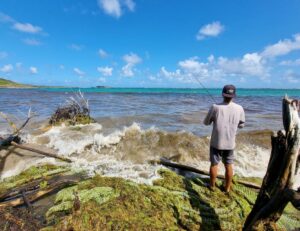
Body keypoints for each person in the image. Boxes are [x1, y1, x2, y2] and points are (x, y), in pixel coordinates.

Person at [204, 85, 245, 193]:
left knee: (214, 164)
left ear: (222, 94)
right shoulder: (239, 108)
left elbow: (206, 123)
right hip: (230, 143)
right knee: (228, 165)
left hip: (216, 142)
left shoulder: (215, 107)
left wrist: (214, 118)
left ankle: (212, 186)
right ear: (234, 95)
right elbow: (241, 125)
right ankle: (227, 188)